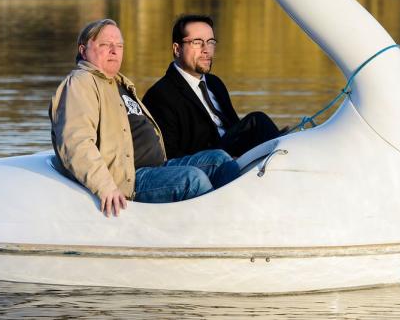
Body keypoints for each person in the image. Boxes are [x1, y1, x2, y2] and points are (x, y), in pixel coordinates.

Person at [50, 19, 239, 217]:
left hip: (158, 167)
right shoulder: (81, 83)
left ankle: (242, 215)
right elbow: (75, 143)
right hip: (130, 178)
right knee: (192, 179)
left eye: (119, 46)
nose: (114, 51)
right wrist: (105, 187)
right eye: (105, 45)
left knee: (219, 160)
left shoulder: (118, 83)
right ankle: (221, 226)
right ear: (83, 50)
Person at [143, 15, 283, 159]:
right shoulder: (159, 95)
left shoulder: (215, 83)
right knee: (256, 122)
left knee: (281, 138)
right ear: (177, 49)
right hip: (204, 165)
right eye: (197, 42)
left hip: (235, 157)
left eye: (210, 42)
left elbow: (235, 128)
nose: (206, 50)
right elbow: (169, 155)